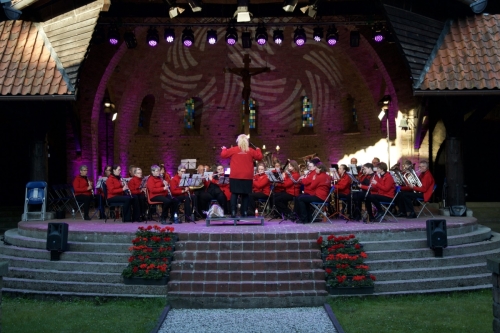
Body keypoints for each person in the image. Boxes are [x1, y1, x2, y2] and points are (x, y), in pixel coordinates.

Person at [220, 134, 263, 218]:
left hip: (235, 176)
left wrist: (224, 148)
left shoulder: (234, 149)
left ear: (238, 141)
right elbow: (260, 157)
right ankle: (244, 212)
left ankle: (233, 212)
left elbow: (223, 155)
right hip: (247, 176)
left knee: (234, 194)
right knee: (245, 194)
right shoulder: (250, 150)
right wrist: (258, 149)